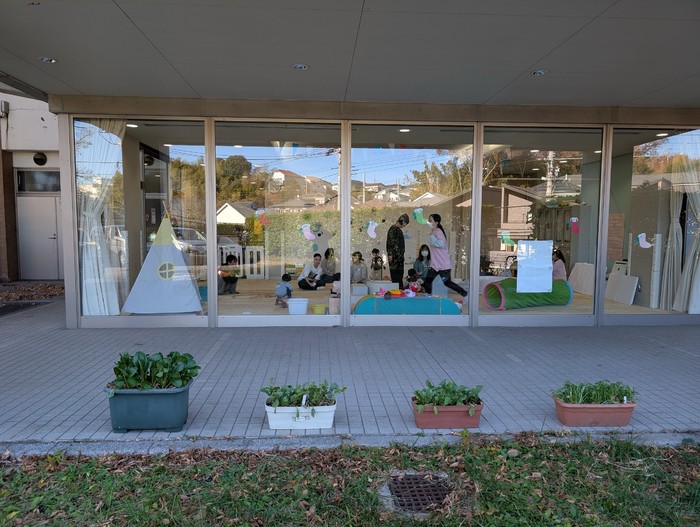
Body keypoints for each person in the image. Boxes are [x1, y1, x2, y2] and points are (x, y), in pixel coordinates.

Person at [423, 213, 468, 298]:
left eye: (430, 221)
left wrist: (432, 237)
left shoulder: (438, 231)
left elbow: (441, 244)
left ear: (436, 222)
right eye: (428, 220)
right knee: (428, 282)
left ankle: (464, 293)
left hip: (443, 264)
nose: (428, 222)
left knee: (447, 282)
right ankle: (428, 298)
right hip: (435, 265)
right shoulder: (434, 232)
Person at [386, 213, 409, 289]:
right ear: (403, 221)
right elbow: (390, 242)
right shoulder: (393, 229)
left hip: (399, 257)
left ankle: (399, 290)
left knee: (399, 276)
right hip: (395, 257)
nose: (404, 225)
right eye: (405, 223)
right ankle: (397, 291)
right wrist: (390, 254)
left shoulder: (397, 230)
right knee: (396, 276)